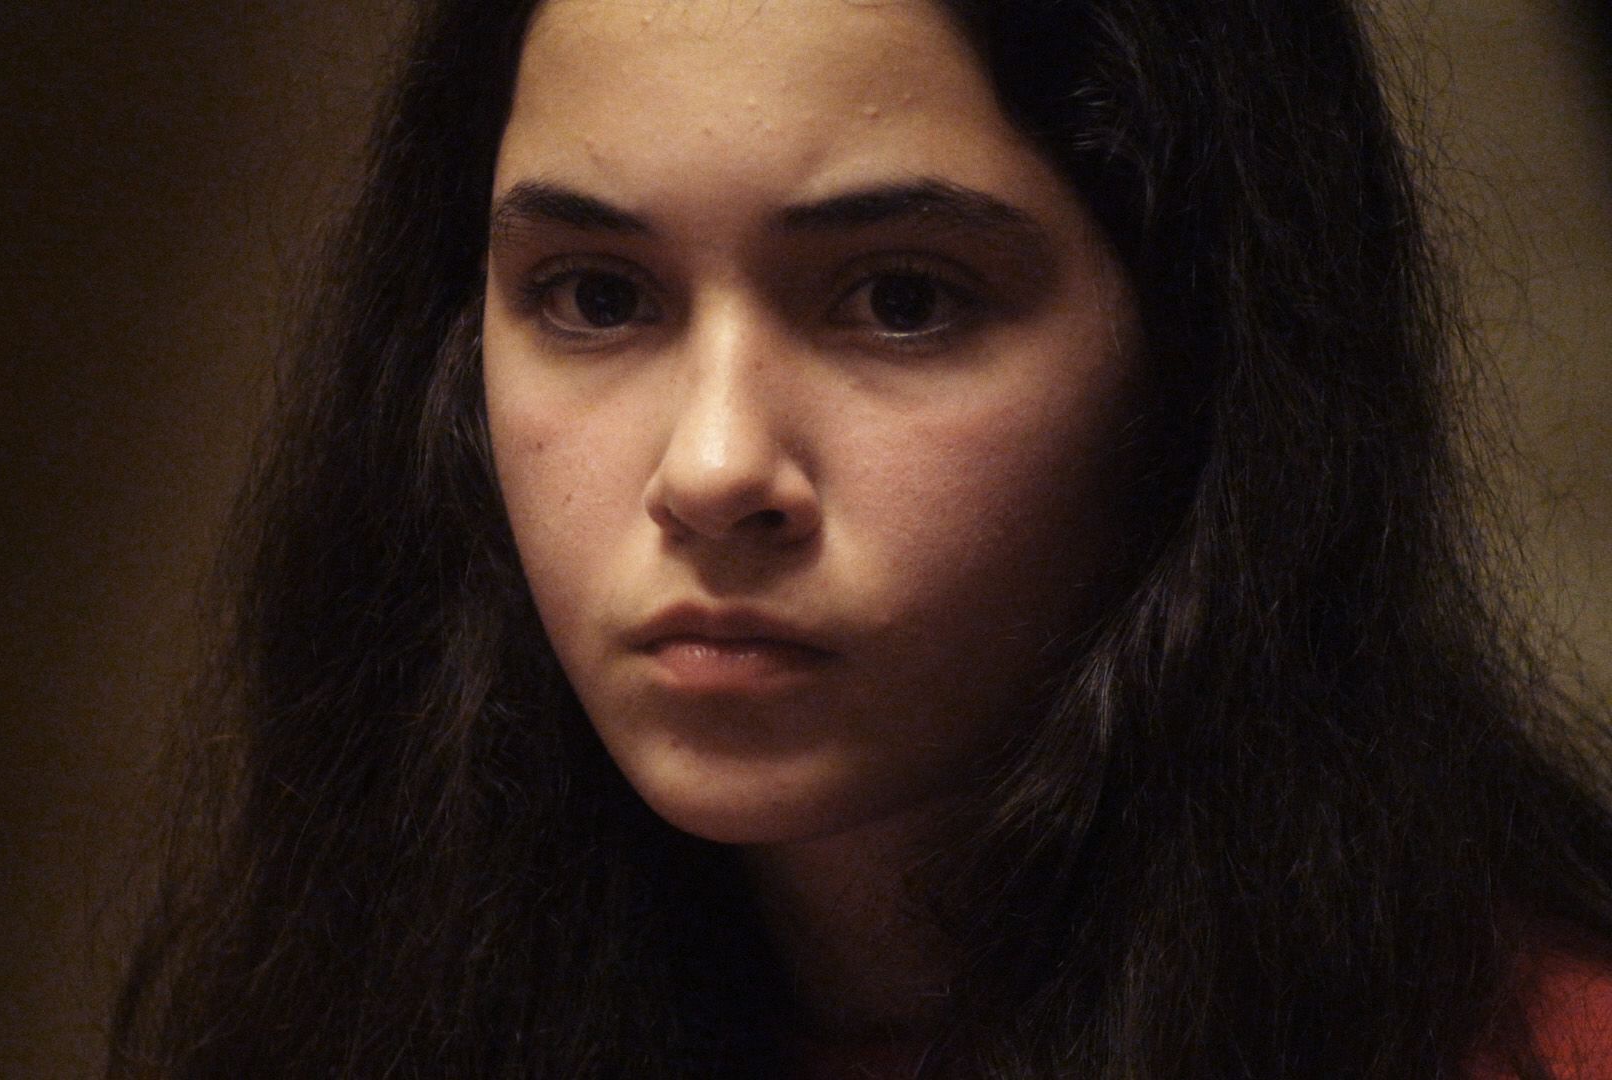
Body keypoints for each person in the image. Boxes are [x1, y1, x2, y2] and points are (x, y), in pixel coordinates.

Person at [109, 1, 1612, 1076]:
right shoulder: (352, 1007)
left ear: (1207, 369)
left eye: (902, 300)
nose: (712, 468)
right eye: (596, 297)